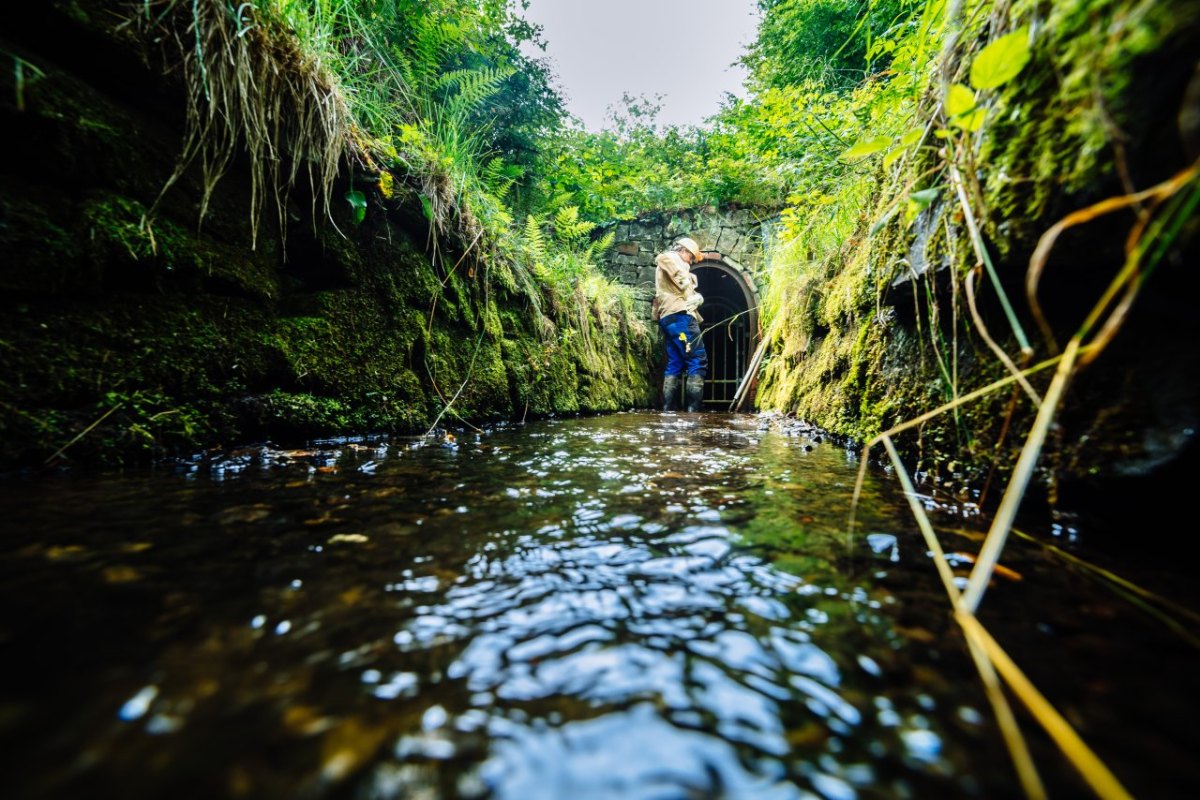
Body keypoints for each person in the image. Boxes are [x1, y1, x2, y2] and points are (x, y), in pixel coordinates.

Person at [652, 236, 708, 412]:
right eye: (691, 257)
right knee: (697, 358)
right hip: (680, 318)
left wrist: (694, 295)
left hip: (669, 319)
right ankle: (693, 412)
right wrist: (692, 296)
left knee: (675, 361)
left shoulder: (677, 263)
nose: (691, 262)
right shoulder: (670, 258)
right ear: (683, 250)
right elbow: (680, 276)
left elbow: (681, 281)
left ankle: (669, 411)